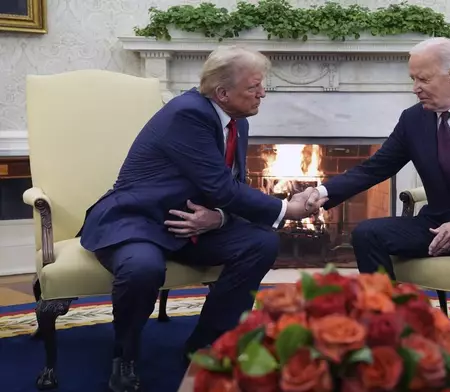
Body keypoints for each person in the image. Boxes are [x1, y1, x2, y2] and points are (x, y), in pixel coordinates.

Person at [78, 46, 325, 392]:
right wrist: (286, 209)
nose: (263, 93)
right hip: (139, 221)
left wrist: (220, 218)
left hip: (188, 222)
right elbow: (221, 186)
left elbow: (229, 188)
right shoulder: (188, 113)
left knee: (261, 243)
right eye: (254, 87)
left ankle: (208, 342)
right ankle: (125, 353)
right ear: (223, 93)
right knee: (142, 269)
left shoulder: (235, 121)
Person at [304, 37, 450, 390]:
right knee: (367, 233)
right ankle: (390, 340)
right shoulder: (414, 120)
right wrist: (321, 192)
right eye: (412, 79)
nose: (415, 89)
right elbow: (375, 169)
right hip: (437, 220)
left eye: (423, 80)